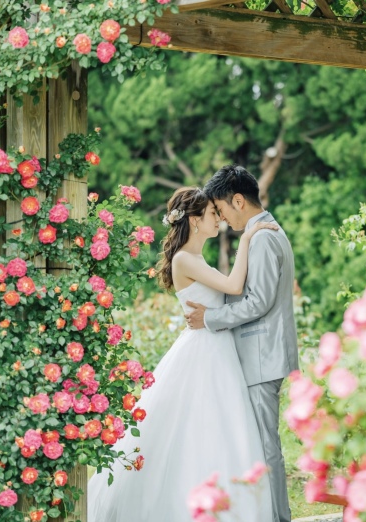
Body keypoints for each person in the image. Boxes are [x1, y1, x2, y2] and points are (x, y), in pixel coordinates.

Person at [87, 186, 277, 522]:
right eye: (212, 214)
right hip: (203, 351)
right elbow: (234, 286)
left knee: (217, 427)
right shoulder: (184, 259)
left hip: (216, 348)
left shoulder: (198, 259)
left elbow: (231, 292)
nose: (218, 218)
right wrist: (247, 239)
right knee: (197, 426)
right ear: (193, 220)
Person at [185, 164, 299, 522]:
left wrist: (210, 318)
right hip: (259, 354)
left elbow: (259, 302)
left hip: (262, 355)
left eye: (220, 208)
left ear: (238, 200)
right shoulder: (261, 232)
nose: (219, 216)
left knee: (267, 448)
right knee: (259, 445)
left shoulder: (263, 236)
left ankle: (279, 518)